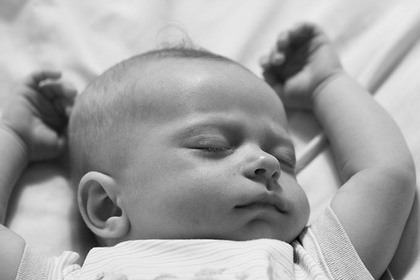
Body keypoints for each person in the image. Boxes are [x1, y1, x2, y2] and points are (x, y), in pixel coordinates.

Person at [0, 23, 415, 280]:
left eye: (288, 161)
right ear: (108, 206)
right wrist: (13, 137)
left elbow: (385, 175)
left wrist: (329, 84)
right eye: (213, 146)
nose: (268, 163)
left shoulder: (313, 265)